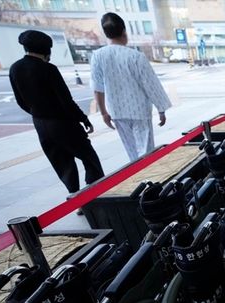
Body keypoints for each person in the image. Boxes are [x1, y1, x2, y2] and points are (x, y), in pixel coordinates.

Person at [9, 30, 105, 195]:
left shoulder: (15, 68)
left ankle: (75, 199)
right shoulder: (48, 69)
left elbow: (20, 101)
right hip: (63, 123)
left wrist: (37, 112)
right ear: (47, 50)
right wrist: (83, 119)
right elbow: (65, 101)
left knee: (62, 164)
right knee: (89, 158)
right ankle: (95, 194)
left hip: (40, 124)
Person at [91, 12, 171, 161]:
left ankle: (136, 175)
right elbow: (150, 84)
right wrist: (161, 109)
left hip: (117, 111)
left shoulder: (98, 56)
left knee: (132, 152)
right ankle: (147, 177)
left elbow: (97, 87)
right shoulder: (135, 56)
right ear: (124, 31)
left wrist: (103, 113)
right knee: (146, 151)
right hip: (139, 110)